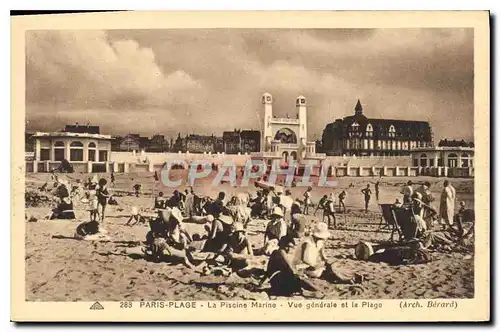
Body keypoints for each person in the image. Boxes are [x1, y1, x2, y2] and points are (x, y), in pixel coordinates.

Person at [294, 222, 360, 284]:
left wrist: (326, 261)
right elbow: (305, 260)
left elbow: (322, 254)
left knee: (334, 266)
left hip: (314, 265)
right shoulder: (307, 243)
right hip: (303, 267)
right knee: (330, 270)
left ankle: (350, 276)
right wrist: (319, 265)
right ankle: (348, 278)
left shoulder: (320, 242)